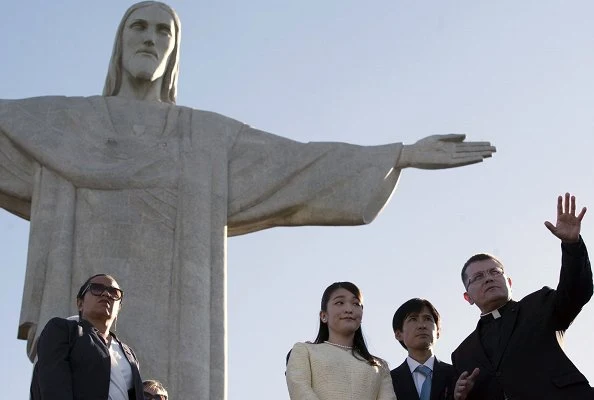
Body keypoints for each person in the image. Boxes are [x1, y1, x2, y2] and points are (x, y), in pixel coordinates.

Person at [0, 2, 495, 398]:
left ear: (174, 51)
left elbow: (297, 162)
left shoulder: (204, 139)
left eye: (162, 31)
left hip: (181, 317)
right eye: (138, 27)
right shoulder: (63, 126)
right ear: (119, 43)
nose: (149, 38)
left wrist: (400, 154)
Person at [451, 193, 592, 400]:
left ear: (509, 282)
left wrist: (572, 245)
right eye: (478, 277)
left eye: (495, 272)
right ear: (467, 297)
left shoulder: (541, 304)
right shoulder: (462, 354)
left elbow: (578, 290)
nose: (488, 279)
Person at [35, 274, 144, 399]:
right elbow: (53, 384)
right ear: (80, 303)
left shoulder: (128, 353)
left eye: (114, 292)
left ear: (118, 308)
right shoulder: (63, 330)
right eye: (97, 288)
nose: (106, 294)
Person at [286, 282, 396, 400]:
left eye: (356, 304)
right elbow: (300, 391)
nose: (349, 309)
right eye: (340, 303)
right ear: (324, 315)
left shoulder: (380, 366)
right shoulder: (305, 351)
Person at [390, 298, 456, 400]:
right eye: (413, 319)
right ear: (399, 334)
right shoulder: (389, 381)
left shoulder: (456, 375)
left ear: (437, 332)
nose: (422, 325)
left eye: (428, 319)